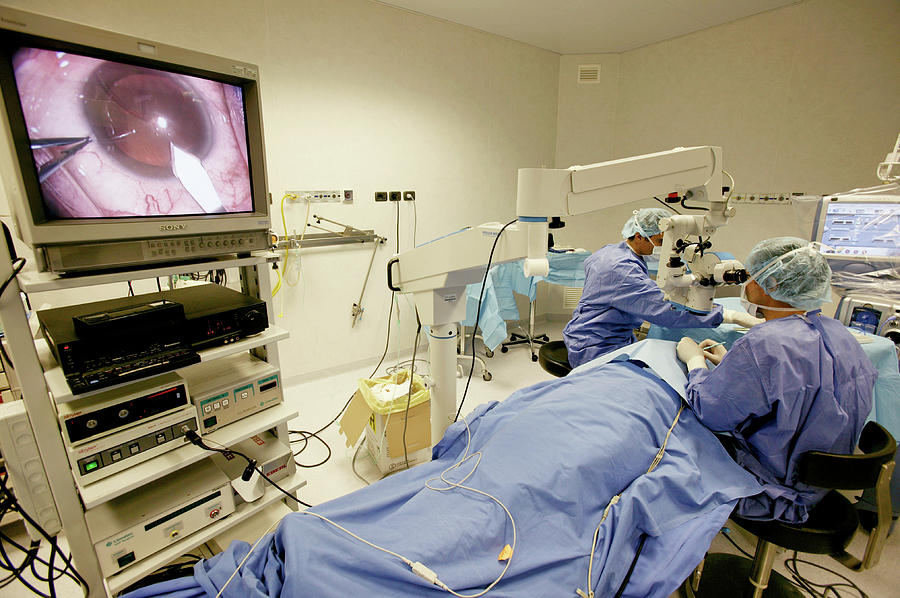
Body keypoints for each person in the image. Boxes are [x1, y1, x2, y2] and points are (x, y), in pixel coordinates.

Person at [676, 237, 877, 523]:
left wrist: (695, 362)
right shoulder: (839, 334)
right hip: (822, 480)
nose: (747, 284)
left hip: (773, 487)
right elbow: (800, 389)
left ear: (772, 286)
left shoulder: (765, 345)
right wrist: (734, 367)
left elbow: (711, 413)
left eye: (753, 277)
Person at [563, 207, 755, 368]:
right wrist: (729, 316)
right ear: (639, 236)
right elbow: (664, 310)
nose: (664, 247)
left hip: (600, 332)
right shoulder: (621, 270)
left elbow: (636, 292)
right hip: (598, 346)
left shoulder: (612, 252)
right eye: (661, 242)